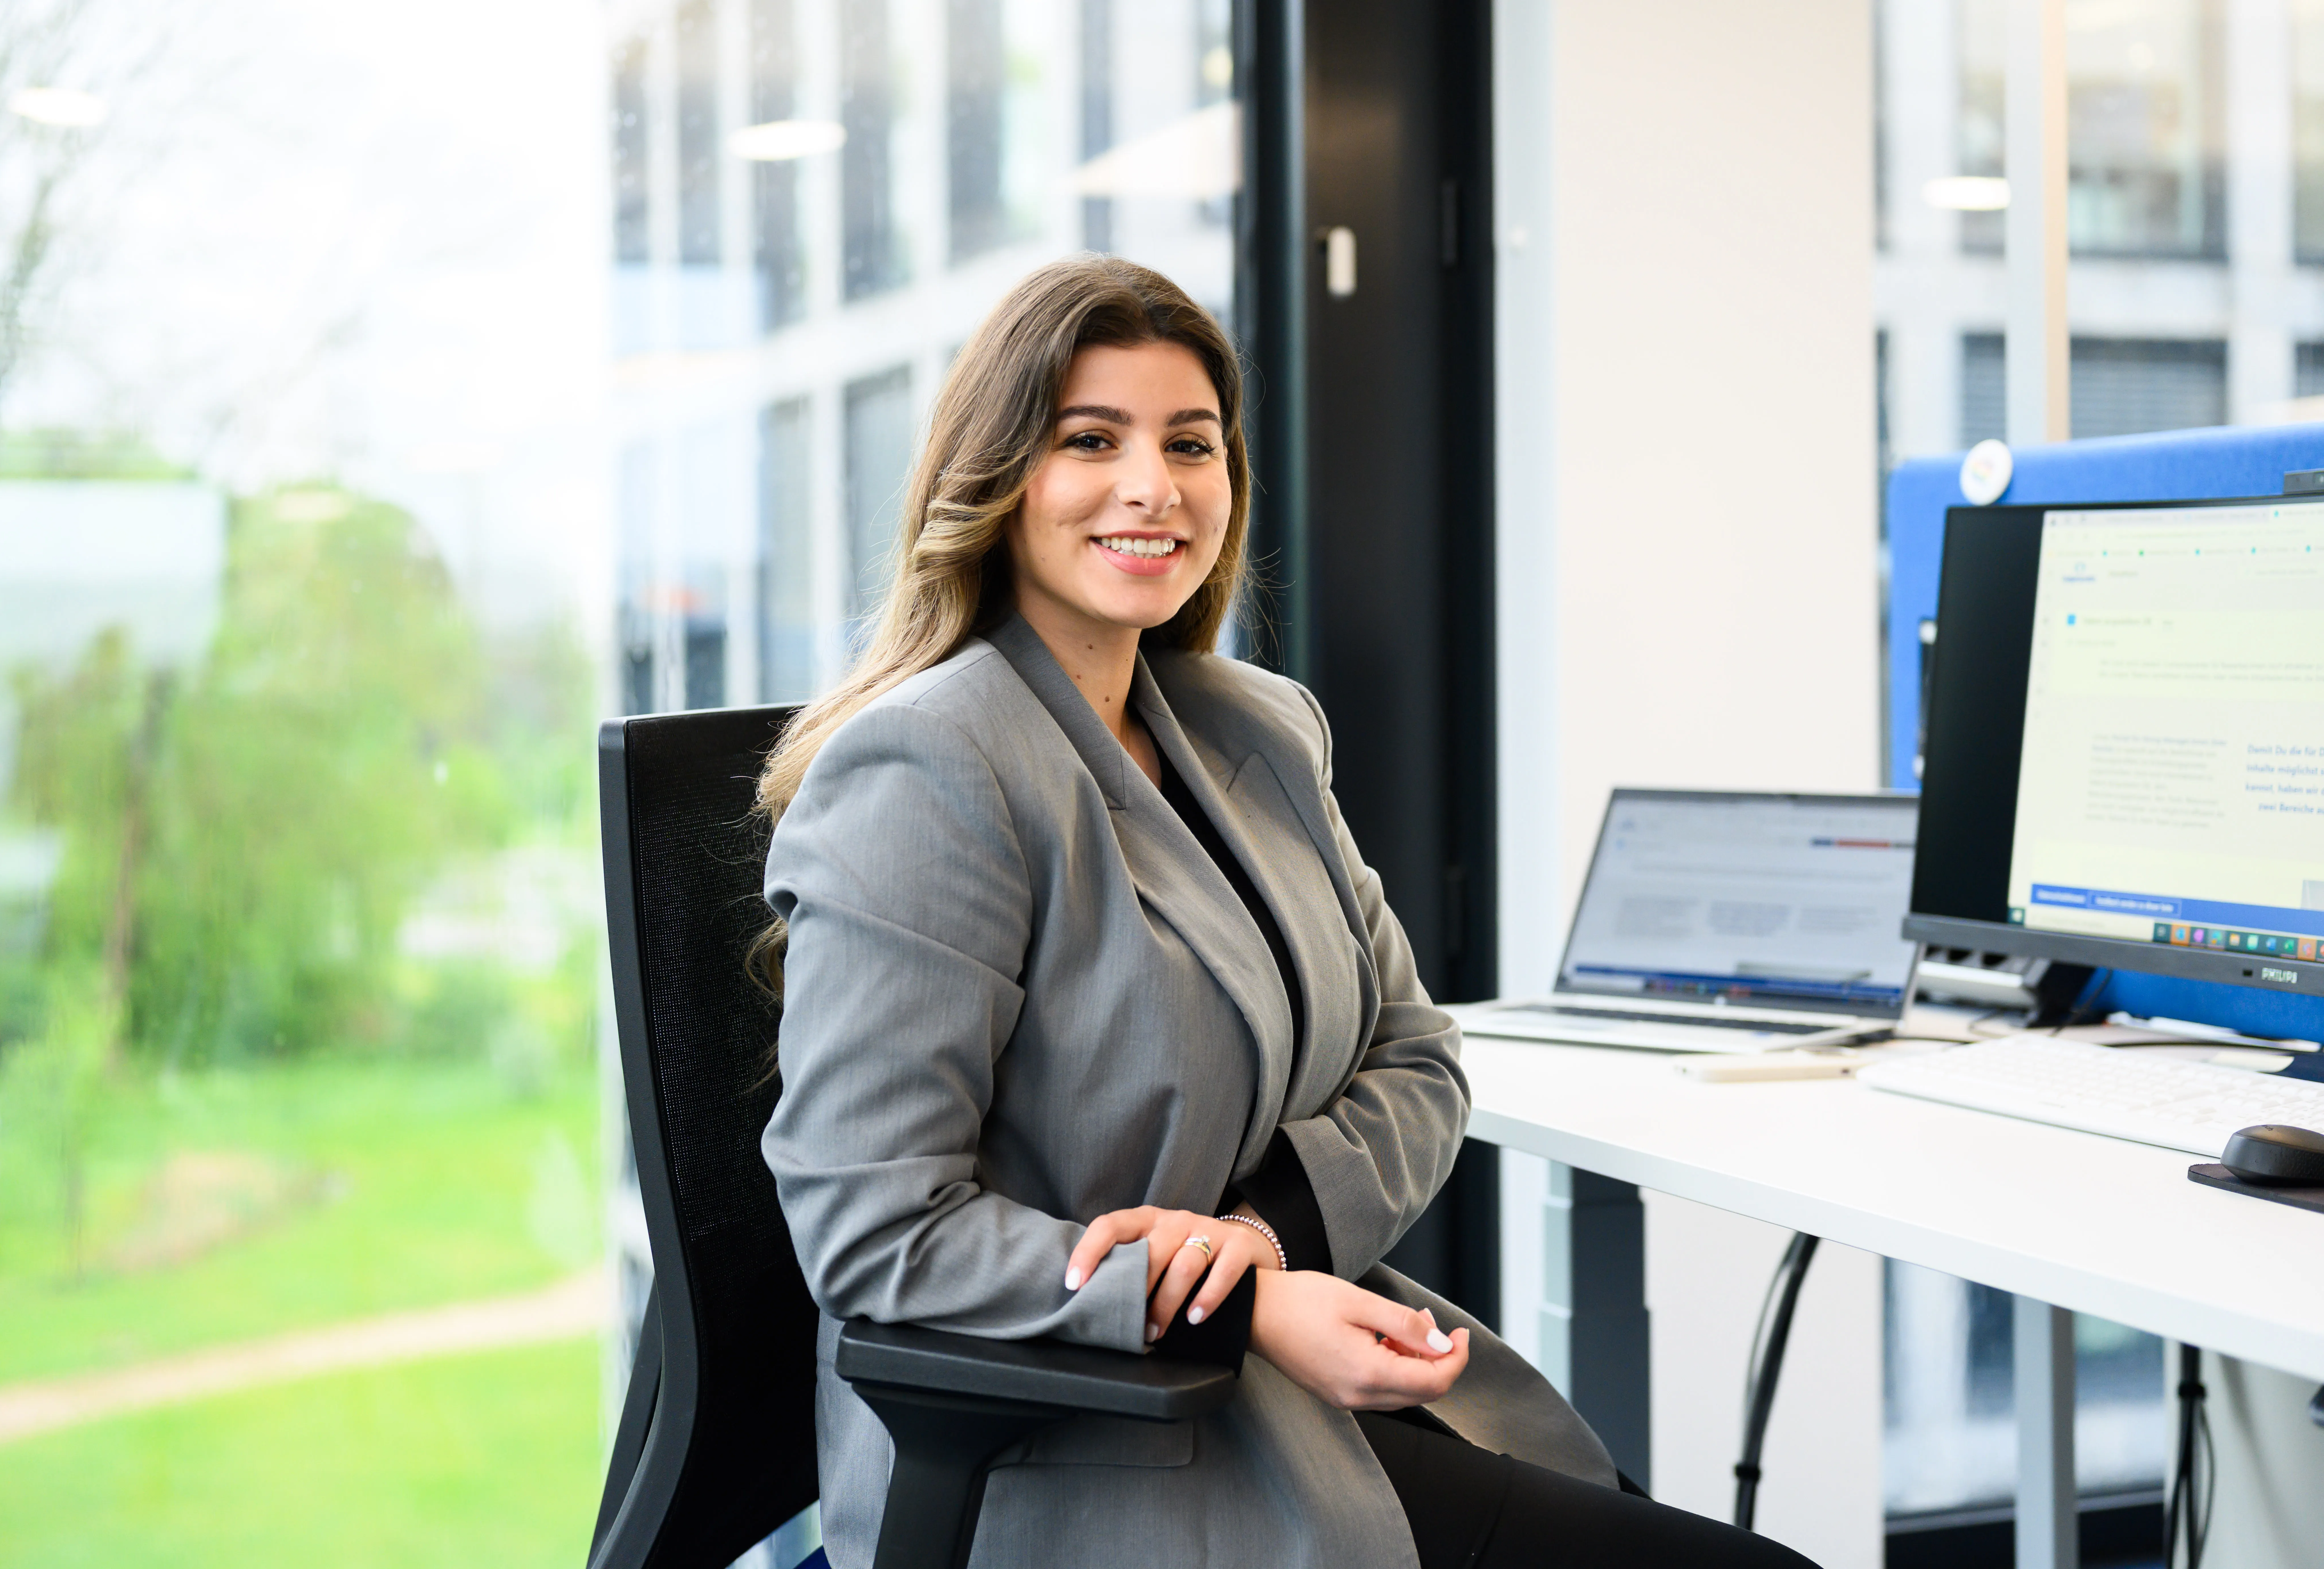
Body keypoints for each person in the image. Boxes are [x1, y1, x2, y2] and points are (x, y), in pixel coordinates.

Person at [759, 255, 1816, 1569]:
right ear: (1000, 477)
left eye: (1190, 442)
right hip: (1098, 1454)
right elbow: (876, 1227)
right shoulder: (930, 769)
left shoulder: (1252, 727)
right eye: (1092, 439)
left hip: (1316, 1387)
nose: (1154, 485)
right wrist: (1237, 1303)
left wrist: (1261, 1234)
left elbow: (1417, 1058)